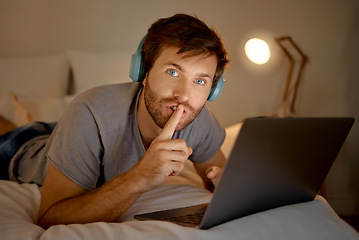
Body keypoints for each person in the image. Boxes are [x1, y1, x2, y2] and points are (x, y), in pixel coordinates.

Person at [0, 13, 229, 229]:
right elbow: (50, 218)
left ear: (213, 90)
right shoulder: (89, 111)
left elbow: (216, 177)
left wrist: (224, 185)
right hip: (23, 147)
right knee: (11, 130)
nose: (184, 95)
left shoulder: (196, 116)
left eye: (200, 81)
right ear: (143, 70)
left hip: (63, 132)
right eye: (173, 72)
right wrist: (143, 175)